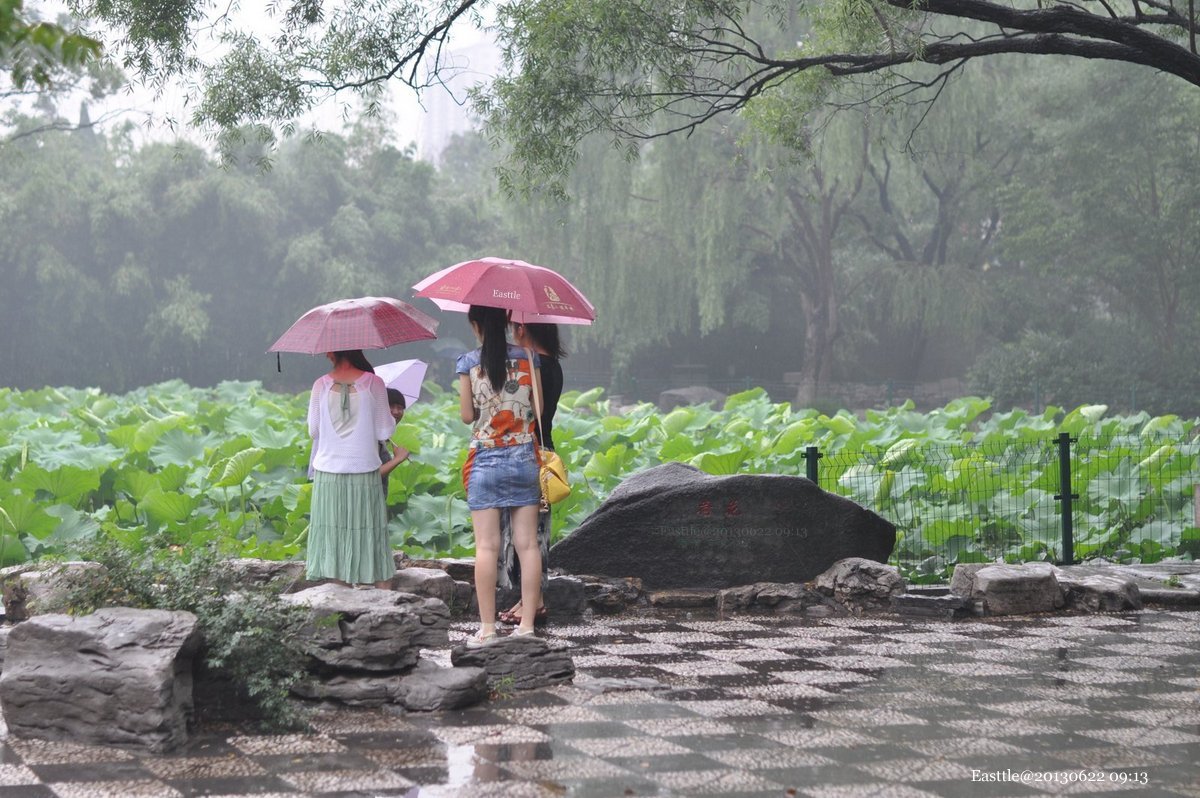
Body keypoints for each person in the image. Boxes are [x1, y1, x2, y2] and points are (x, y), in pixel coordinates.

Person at [456, 305, 543, 644]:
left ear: (475, 325)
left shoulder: (467, 363)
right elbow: (540, 411)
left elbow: (466, 416)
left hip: (485, 459)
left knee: (486, 548)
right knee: (528, 546)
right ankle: (526, 628)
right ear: (507, 322)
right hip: (523, 456)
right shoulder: (529, 358)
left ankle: (488, 629)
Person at [306, 349, 396, 590]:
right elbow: (384, 431)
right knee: (372, 535)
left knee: (335, 539)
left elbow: (313, 431)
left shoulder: (320, 385)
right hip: (363, 470)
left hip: (328, 473)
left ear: (333, 350)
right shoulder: (374, 383)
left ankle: (341, 603)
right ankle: (385, 603)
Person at [498, 322, 565, 626]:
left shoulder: (536, 367)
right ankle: (530, 599)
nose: (512, 333)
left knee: (529, 533)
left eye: (514, 328)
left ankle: (533, 601)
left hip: (530, 454)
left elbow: (522, 413)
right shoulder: (553, 365)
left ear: (523, 329)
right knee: (536, 531)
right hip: (543, 450)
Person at [379, 388, 411, 489]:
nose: (396, 411)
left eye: (400, 407)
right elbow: (371, 475)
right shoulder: (371, 436)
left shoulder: (382, 436)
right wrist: (397, 459)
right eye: (391, 406)